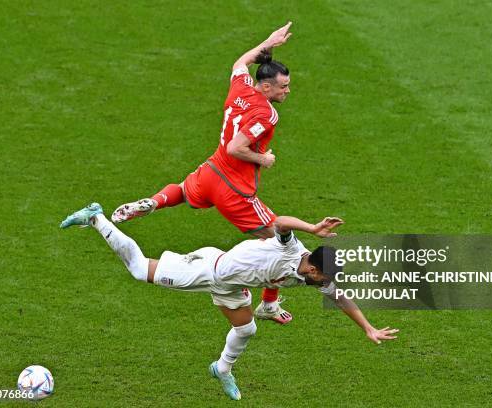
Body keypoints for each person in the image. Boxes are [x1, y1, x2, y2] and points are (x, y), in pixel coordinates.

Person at [60, 203, 399, 401]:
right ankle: (95, 217)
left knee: (247, 328)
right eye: (321, 277)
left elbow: (340, 297)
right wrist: (313, 226)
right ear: (312, 267)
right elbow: (279, 223)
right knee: (138, 270)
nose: (323, 284)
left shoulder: (307, 275)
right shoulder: (291, 249)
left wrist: (368, 328)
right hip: (208, 271)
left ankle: (221, 368)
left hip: (231, 285)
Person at [111, 22, 296, 324]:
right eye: (283, 86)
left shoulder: (242, 86)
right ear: (266, 87)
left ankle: (152, 203)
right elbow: (238, 147)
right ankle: (269, 305)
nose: (287, 90)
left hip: (211, 171)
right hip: (235, 190)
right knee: (282, 243)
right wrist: (262, 159)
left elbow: (240, 63)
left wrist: (268, 41)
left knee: (183, 190)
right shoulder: (266, 112)